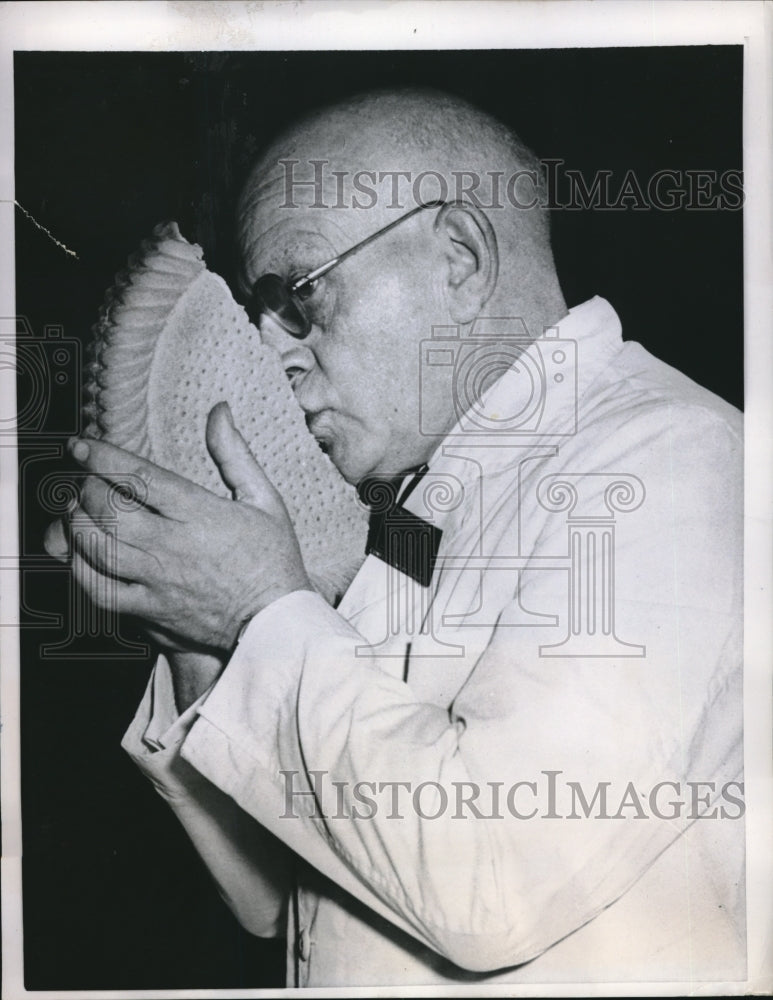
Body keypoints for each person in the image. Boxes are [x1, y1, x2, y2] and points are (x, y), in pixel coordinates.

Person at [45, 89, 745, 987]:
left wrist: (260, 612)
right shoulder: (416, 514)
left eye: (297, 297)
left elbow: (494, 885)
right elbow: (285, 904)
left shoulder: (666, 459)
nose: (276, 352)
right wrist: (201, 648)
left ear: (458, 256)